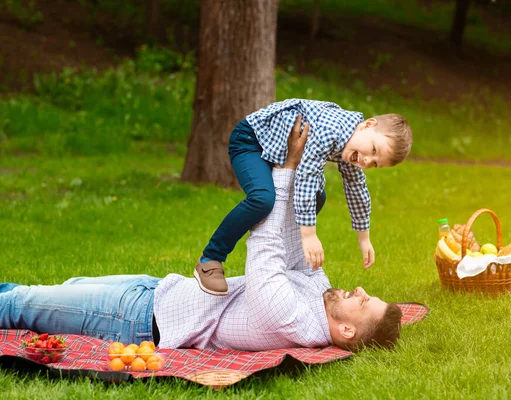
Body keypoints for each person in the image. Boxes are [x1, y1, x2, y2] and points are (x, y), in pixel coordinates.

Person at [0, 122, 403, 352]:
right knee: (40, 291)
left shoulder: (291, 320)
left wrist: (286, 169)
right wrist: (303, 185)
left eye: (365, 303)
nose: (362, 290)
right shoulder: (321, 295)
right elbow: (291, 243)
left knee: (20, 304)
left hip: (135, 320)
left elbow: (264, 247)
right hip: (155, 291)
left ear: (347, 331)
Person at [196, 98, 413, 296]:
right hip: (252, 142)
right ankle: (211, 258)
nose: (367, 161)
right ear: (368, 124)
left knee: (318, 198)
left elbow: (357, 188)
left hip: (277, 151)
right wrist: (309, 235)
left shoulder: (353, 142)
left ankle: (287, 257)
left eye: (375, 163)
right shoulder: (331, 128)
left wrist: (363, 237)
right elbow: (307, 176)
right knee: (262, 198)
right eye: (373, 149)